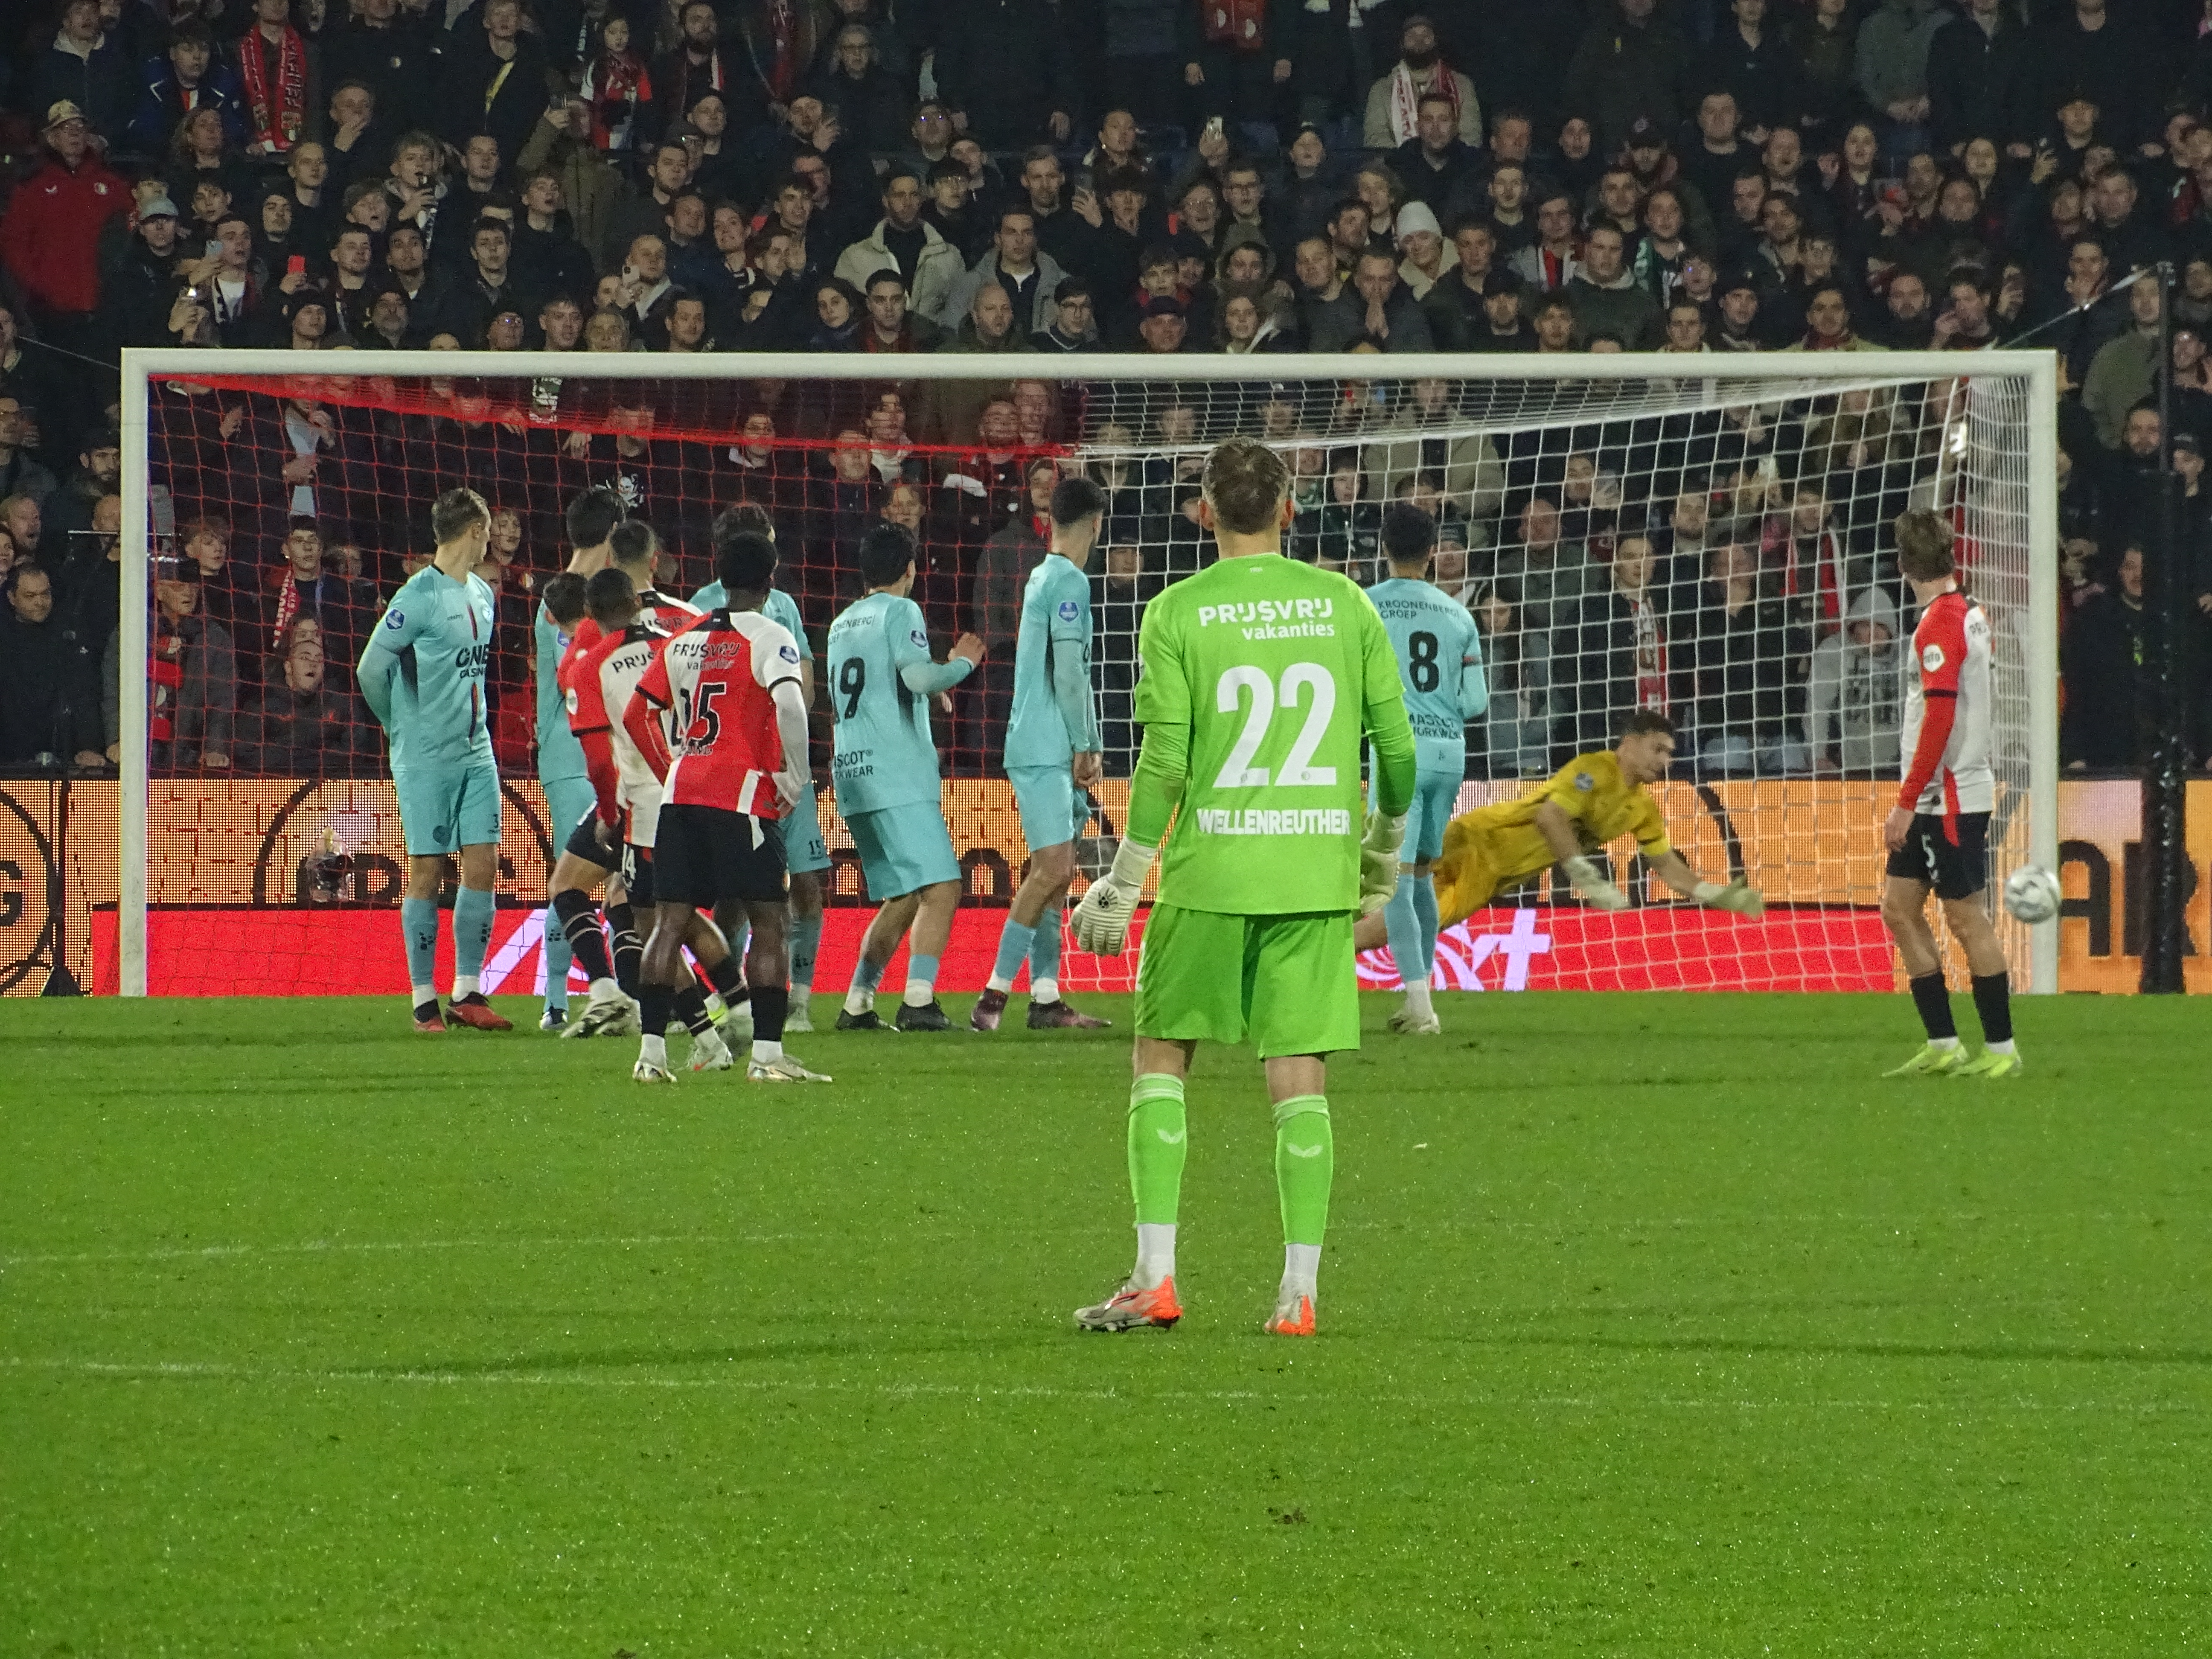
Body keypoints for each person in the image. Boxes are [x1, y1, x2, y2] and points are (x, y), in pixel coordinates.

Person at [1067, 437, 1417, 1339]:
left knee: (1162, 1057)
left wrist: (1125, 876)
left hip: (1211, 873)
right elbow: (1400, 750)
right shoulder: (1345, 604)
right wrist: (1381, 855)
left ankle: (1156, 1277)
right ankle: (1299, 1293)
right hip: (1313, 875)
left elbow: (1168, 760)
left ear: (1204, 512)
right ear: (1291, 511)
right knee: (1299, 1076)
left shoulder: (1176, 611)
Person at [623, 525, 821, 1084]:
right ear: (769, 580)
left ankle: (651, 1059)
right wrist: (795, 775)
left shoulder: (682, 638)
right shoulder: (770, 634)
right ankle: (767, 1058)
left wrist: (673, 769)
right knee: (770, 921)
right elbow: (790, 702)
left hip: (679, 796)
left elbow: (640, 714)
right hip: (741, 797)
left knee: (669, 923)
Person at [355, 488, 510, 1033]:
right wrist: (400, 727)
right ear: (474, 529)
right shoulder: (415, 598)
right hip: (425, 758)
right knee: (426, 870)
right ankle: (424, 1000)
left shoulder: (483, 595)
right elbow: (370, 671)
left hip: (477, 752)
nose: (491, 538)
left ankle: (467, 991)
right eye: (488, 528)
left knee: (484, 863)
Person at [827, 523, 985, 1032]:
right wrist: (960, 666)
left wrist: (923, 688)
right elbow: (917, 675)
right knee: (942, 885)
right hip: (896, 772)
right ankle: (919, 1002)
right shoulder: (903, 610)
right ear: (911, 570)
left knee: (905, 892)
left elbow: (882, 683)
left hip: (852, 773)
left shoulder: (841, 622)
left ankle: (857, 1003)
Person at [1879, 509, 2019, 1080]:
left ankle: (2002, 1051)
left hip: (1949, 797)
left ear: (1902, 565)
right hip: (1947, 791)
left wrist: (1908, 801)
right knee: (1898, 907)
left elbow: (1939, 718)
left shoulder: (1939, 624)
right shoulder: (1968, 612)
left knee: (1966, 920)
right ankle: (1944, 1042)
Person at [973, 476, 1113, 1034]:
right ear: (1096, 523)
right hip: (1046, 743)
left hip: (1037, 739)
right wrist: (1087, 743)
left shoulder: (1041, 575)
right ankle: (992, 999)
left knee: (1057, 872)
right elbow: (1072, 672)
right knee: (1053, 869)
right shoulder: (1069, 582)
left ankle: (1048, 998)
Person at [1345, 504, 1487, 1036]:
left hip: (1398, 754)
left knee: (1395, 885)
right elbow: (1476, 701)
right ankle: (1422, 996)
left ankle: (1421, 1006)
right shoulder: (1459, 616)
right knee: (1423, 878)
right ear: (1434, 552)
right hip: (1451, 755)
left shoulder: (1366, 606)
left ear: (1383, 548)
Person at [687, 503, 829, 1033]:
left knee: (804, 883)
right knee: (738, 896)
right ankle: (734, 1001)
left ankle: (797, 1005)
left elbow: (805, 683)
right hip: (739, 771)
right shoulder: (700, 607)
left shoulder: (785, 607)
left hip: (779, 762)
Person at [1432, 710, 1766, 928]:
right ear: (1630, 744)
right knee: (1407, 905)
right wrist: (1590, 881)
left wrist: (1717, 893)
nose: (1665, 761)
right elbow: (1551, 817)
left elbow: (1668, 869)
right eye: (1657, 750)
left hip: (1495, 873)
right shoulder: (1592, 770)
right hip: (1480, 839)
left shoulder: (1642, 809)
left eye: (1669, 754)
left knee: (1411, 919)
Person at [533, 488, 618, 1033]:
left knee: (605, 877)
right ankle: (561, 997)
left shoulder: (577, 595)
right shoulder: (563, 602)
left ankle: (608, 989)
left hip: (596, 753)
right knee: (575, 876)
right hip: (572, 757)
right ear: (612, 533)